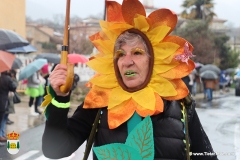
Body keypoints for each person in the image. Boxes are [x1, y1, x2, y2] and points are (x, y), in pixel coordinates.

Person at [42, 1, 218, 160]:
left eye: (137, 53)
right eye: (120, 55)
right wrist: (60, 99)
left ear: (153, 59)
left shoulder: (181, 107)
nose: (127, 62)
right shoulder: (100, 104)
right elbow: (54, 150)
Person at [0, 70, 18, 139]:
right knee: (2, 119)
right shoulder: (6, 78)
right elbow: (14, 87)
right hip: (3, 102)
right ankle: (1, 135)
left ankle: (1, 134)